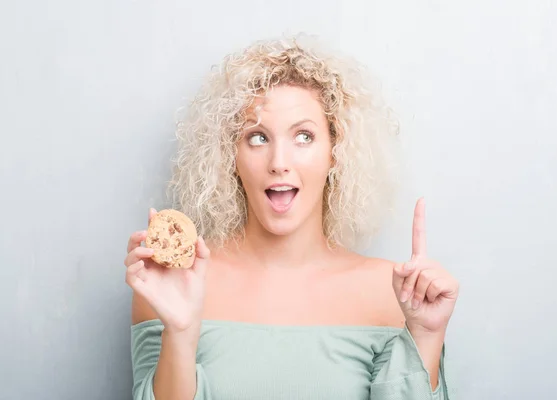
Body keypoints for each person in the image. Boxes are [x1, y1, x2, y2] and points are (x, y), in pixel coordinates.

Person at [124, 34, 459, 400]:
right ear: (229, 156)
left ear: (335, 151)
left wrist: (426, 337)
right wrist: (181, 331)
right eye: (257, 138)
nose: (279, 163)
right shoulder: (176, 285)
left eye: (303, 136)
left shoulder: (392, 293)